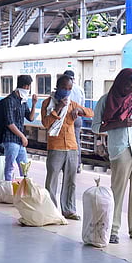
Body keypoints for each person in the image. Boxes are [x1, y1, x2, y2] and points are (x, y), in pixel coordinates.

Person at [91, 68, 132, 244]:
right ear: (120, 83)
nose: (130, 90)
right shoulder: (106, 100)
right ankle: (112, 230)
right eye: (128, 86)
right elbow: (96, 127)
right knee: (117, 192)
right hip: (119, 149)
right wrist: (119, 123)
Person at [42, 75, 94, 220]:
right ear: (57, 87)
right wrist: (57, 109)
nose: (66, 91)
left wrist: (80, 112)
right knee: (52, 180)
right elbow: (46, 124)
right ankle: (51, 210)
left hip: (71, 147)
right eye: (64, 88)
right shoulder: (48, 103)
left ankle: (69, 210)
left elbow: (90, 113)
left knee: (70, 181)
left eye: (69, 89)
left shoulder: (72, 104)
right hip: (56, 146)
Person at [0, 74, 37, 181]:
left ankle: (23, 188)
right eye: (29, 87)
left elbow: (30, 118)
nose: (29, 89)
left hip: (19, 141)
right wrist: (23, 137)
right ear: (25, 87)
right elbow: (9, 123)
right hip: (11, 139)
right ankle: (8, 188)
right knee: (10, 167)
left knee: (24, 166)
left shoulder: (23, 100)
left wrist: (34, 104)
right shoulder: (9, 100)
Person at [63, 70, 86, 173]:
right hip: (78, 118)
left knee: (66, 141)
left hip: (68, 117)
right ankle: (77, 165)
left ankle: (66, 165)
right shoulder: (80, 89)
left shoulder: (66, 89)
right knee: (77, 141)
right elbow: (82, 105)